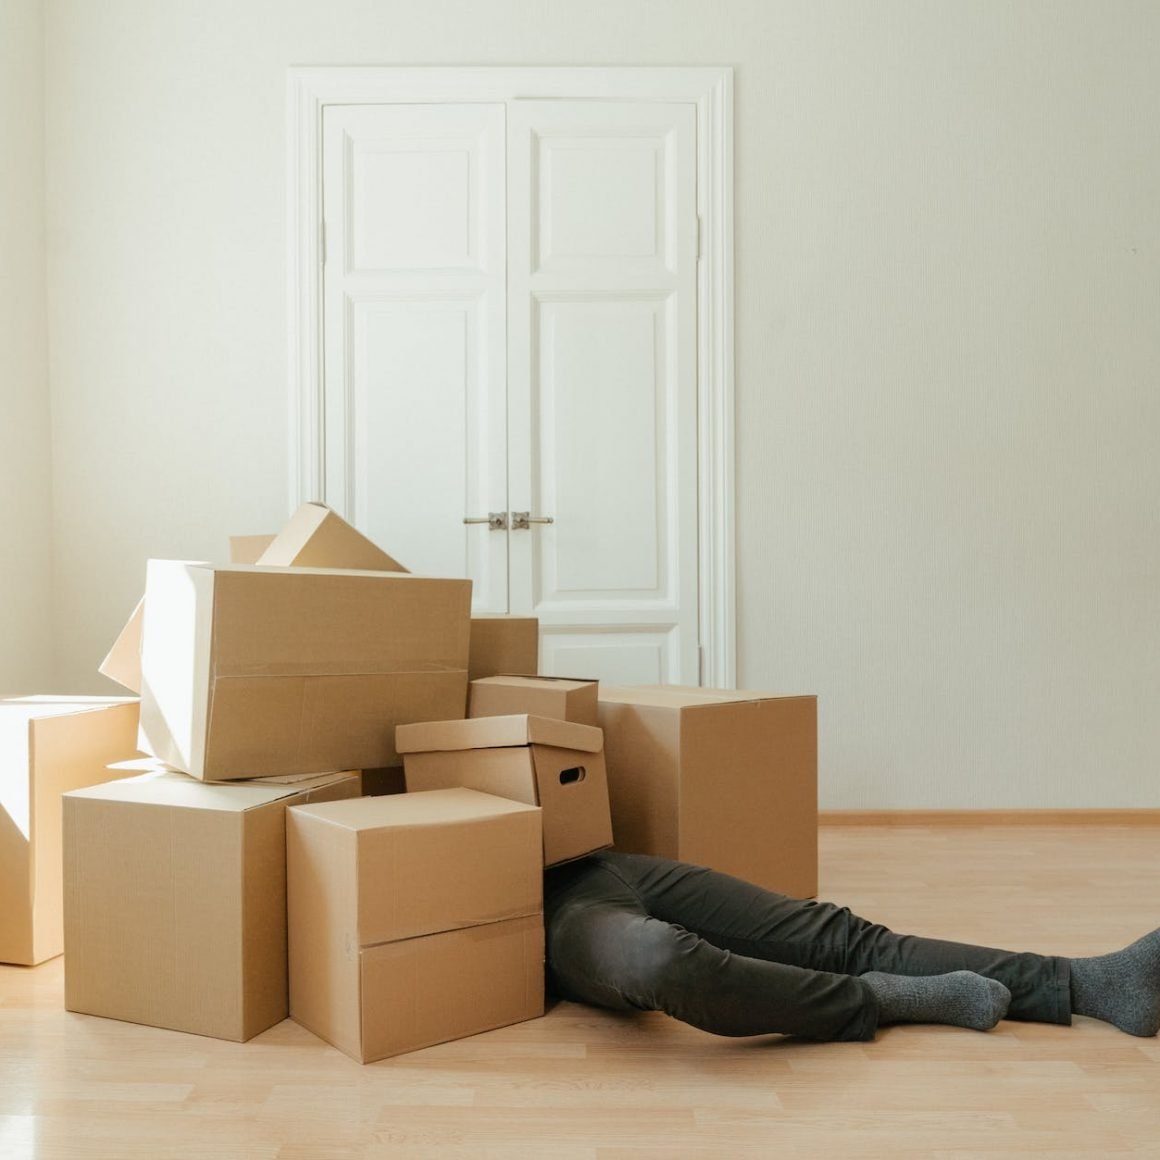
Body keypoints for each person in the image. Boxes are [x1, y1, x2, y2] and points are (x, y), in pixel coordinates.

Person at [544, 850, 1160, 1041]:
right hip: (538, 913)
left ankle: (1089, 982)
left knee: (841, 935)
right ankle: (875, 1000)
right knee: (664, 959)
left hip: (590, 861)